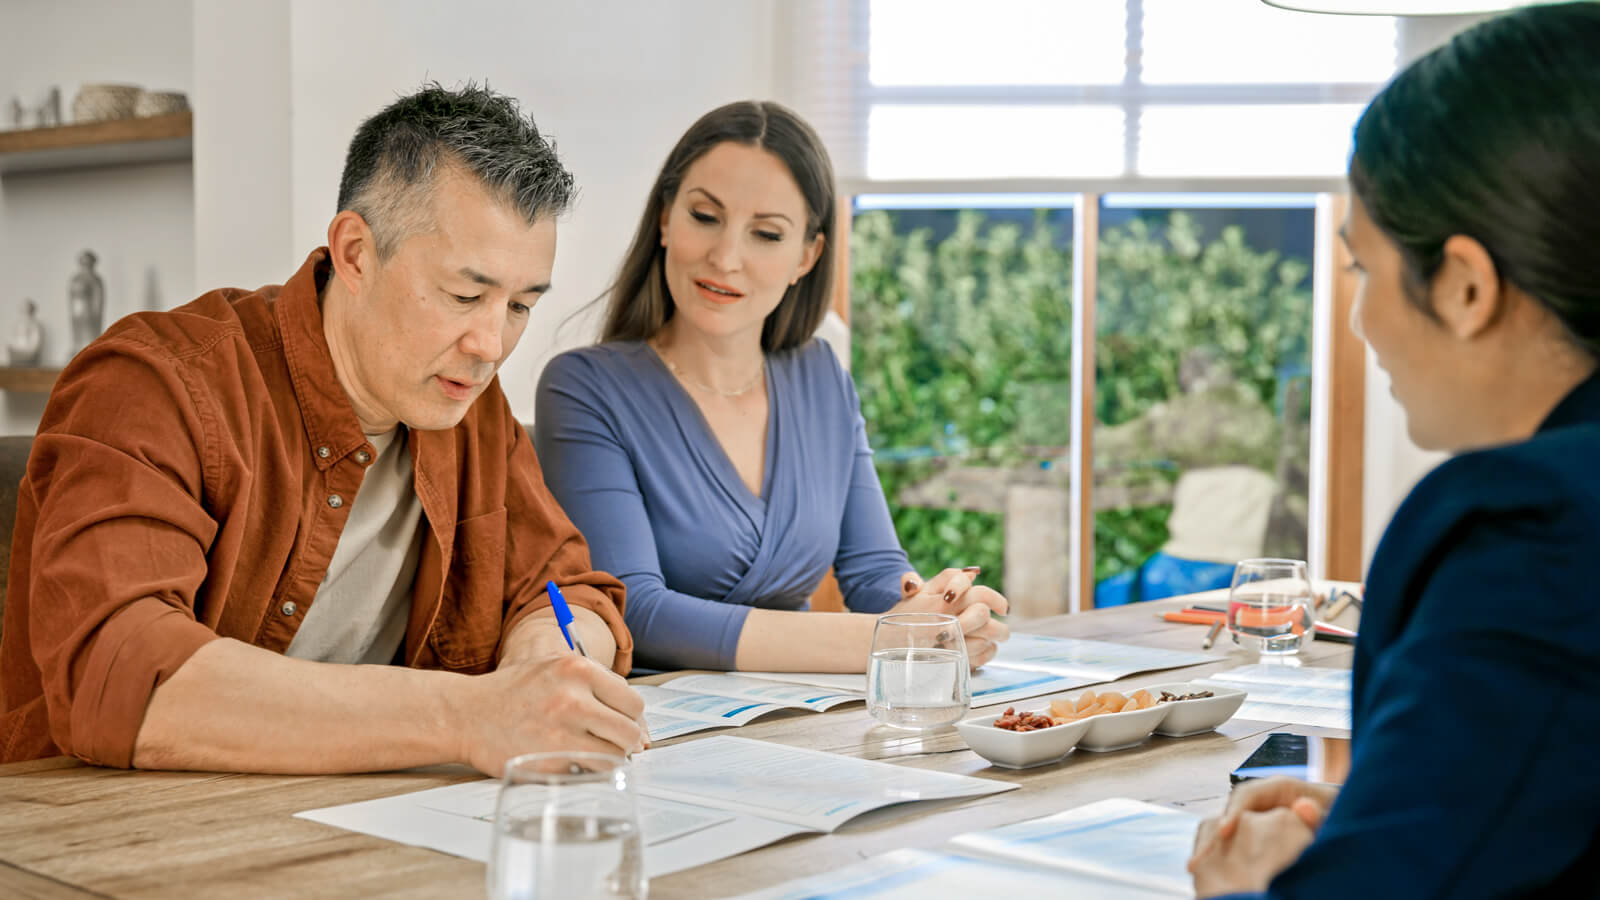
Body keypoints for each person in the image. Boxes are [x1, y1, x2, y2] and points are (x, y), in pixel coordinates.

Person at [0, 84, 646, 775]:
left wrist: (545, 668)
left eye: (520, 306)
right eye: (465, 295)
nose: (491, 344)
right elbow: (126, 676)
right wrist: (469, 717)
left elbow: (569, 592)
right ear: (356, 253)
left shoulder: (468, 409)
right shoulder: (153, 383)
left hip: (355, 833)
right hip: (101, 838)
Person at [1188, 4, 1600, 896]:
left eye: (1364, 269)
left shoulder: (1535, 537)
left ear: (1463, 285)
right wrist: (1407, 815)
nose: (1361, 320)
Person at [534, 101, 1009, 672]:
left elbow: (874, 571)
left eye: (765, 233)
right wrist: (882, 641)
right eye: (705, 217)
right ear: (665, 220)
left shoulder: (822, 377)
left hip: (800, 723)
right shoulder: (585, 388)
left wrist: (937, 612)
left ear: (806, 256)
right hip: (654, 732)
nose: (725, 257)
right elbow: (635, 612)